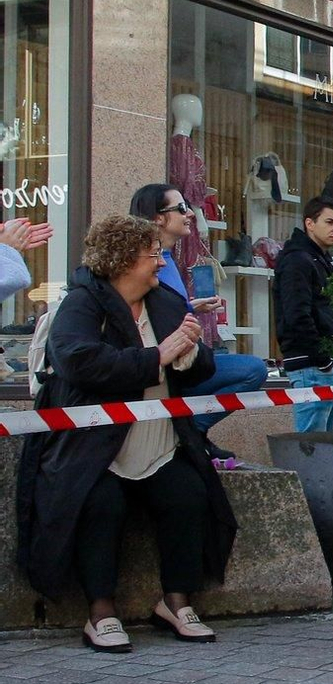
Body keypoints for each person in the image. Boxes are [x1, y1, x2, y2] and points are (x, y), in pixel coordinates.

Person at [20, 215, 237, 652]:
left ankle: (175, 601)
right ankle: (100, 612)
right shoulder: (82, 304)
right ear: (121, 261)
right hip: (93, 445)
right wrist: (157, 355)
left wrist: (187, 356)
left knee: (189, 496)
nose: (160, 263)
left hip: (157, 440)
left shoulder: (167, 301)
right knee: (100, 505)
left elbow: (201, 366)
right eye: (151, 255)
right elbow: (80, 362)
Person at [129, 184, 268, 465]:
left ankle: (191, 430)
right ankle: (191, 431)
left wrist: (190, 306)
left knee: (243, 366)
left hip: (180, 360)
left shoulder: (166, 258)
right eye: (181, 208)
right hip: (165, 366)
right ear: (157, 218)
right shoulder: (145, 261)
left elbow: (158, 308)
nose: (190, 214)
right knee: (253, 370)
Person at [273, 196, 333, 433]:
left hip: (324, 365)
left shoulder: (317, 260)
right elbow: (297, 315)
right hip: (312, 366)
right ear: (309, 223)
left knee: (322, 448)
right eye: (330, 222)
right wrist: (322, 359)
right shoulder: (298, 260)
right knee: (311, 448)